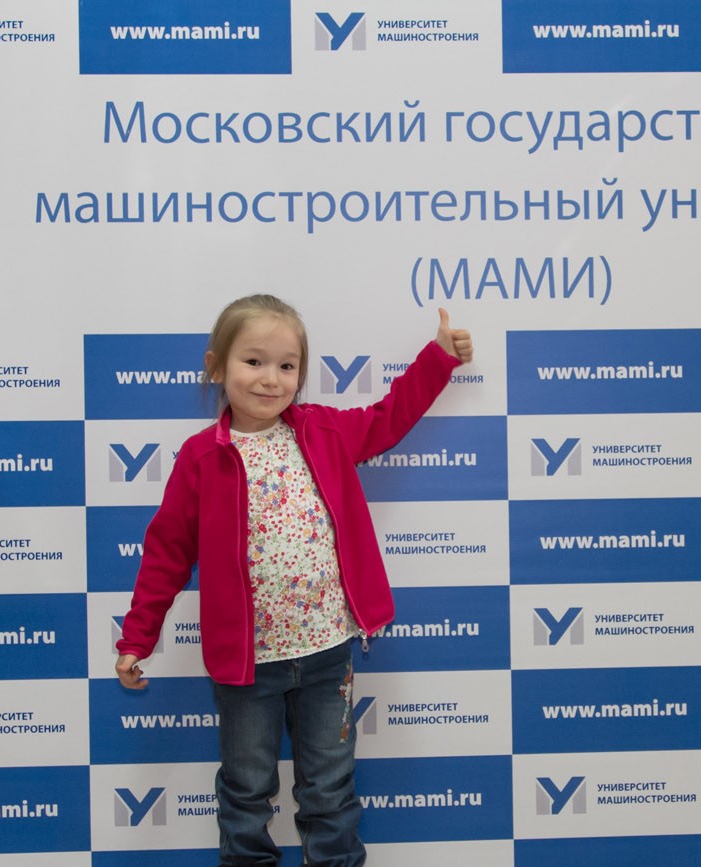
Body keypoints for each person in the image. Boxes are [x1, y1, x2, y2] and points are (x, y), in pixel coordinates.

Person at [114, 293, 473, 866]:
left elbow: (386, 419)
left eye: (286, 366)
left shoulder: (323, 431)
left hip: (328, 652)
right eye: (253, 361)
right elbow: (166, 553)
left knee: (329, 789)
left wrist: (438, 357)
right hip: (246, 665)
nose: (270, 379)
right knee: (246, 790)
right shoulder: (201, 458)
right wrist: (137, 638)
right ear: (216, 366)